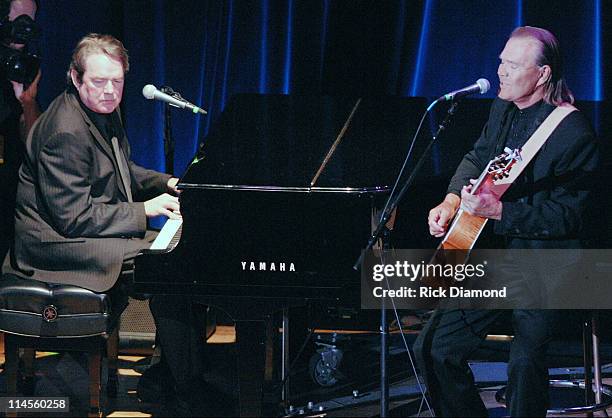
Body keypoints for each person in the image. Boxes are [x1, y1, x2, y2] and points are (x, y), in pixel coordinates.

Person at [1, 33, 206, 415]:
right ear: (76, 79)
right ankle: (185, 388)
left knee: (178, 253)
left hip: (75, 230)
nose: (110, 91)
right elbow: (74, 218)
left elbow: (122, 169)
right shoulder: (64, 131)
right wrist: (145, 210)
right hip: (54, 245)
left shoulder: (98, 112)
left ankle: (174, 375)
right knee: (167, 265)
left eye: (118, 81)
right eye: (99, 81)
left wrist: (166, 183)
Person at [413, 26, 598, 417]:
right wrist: (450, 201)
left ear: (543, 74)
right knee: (435, 347)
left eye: (512, 66)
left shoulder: (573, 133)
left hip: (547, 263)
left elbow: (571, 216)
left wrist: (500, 212)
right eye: (501, 61)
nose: (500, 71)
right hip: (496, 257)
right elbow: (478, 159)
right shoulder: (503, 109)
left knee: (524, 363)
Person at [0, 0, 41, 263]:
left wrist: (26, 100)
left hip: (10, 182)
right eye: (18, 21)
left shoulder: (25, 67)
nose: (23, 31)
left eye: (30, 22)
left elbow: (34, 140)